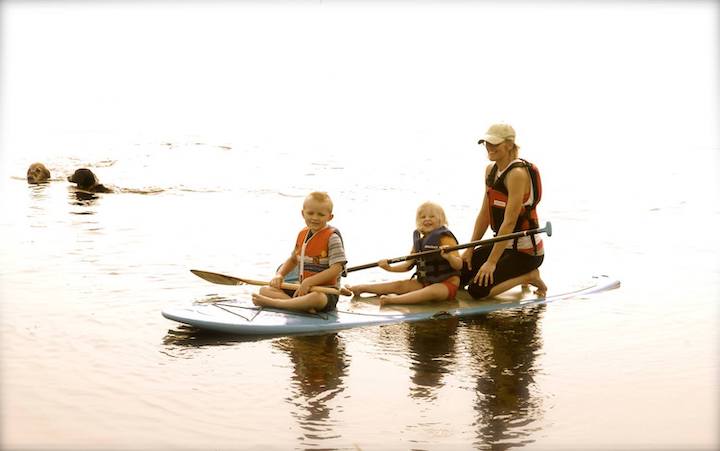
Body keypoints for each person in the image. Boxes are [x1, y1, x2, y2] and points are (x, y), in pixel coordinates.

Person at [461, 123, 547, 299]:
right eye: (487, 143)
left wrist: (491, 263)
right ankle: (503, 269)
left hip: (525, 252)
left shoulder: (517, 174)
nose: (489, 148)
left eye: (495, 144)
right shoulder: (490, 171)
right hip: (502, 244)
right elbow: (485, 214)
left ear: (509, 144)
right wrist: (470, 248)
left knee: (478, 291)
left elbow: (509, 222)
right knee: (460, 275)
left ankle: (530, 275)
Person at [346, 201, 463, 306]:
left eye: (432, 216)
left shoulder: (445, 238)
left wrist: (449, 257)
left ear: (441, 220)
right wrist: (389, 268)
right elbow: (408, 265)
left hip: (447, 285)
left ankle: (393, 300)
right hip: (425, 281)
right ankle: (362, 288)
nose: (427, 219)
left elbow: (458, 265)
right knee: (400, 285)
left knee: (432, 291)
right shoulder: (420, 242)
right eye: (423, 217)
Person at [252, 191, 347, 313]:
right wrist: (280, 275)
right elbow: (293, 260)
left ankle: (275, 303)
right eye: (310, 213)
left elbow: (337, 268)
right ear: (303, 213)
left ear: (330, 217)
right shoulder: (302, 234)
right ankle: (300, 305)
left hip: (325, 291)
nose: (315, 218)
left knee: (316, 298)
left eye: (321, 214)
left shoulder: (332, 238)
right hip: (302, 288)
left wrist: (309, 282)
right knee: (265, 290)